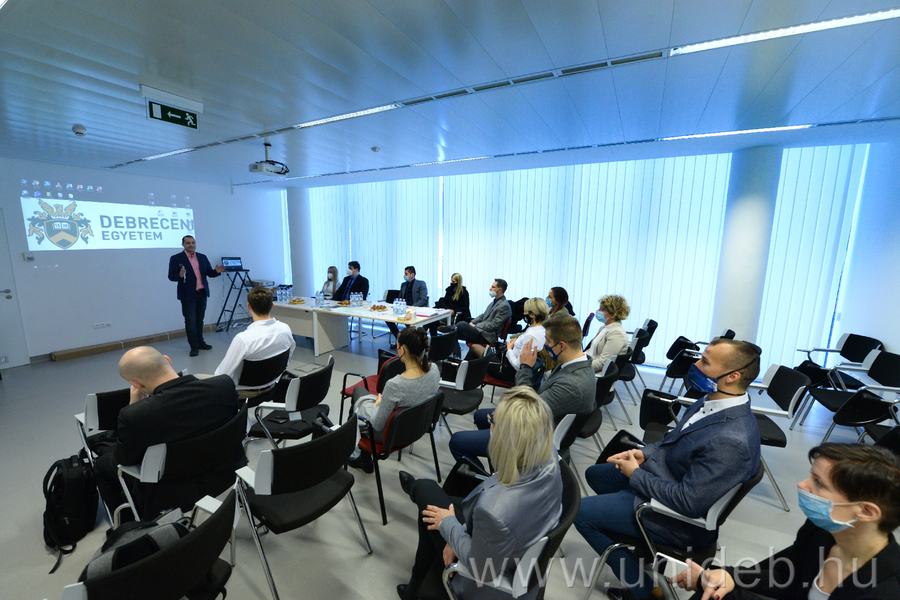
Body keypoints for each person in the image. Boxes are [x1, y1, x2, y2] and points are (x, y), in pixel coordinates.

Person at [574, 338, 763, 600]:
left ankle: (644, 590)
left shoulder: (732, 439)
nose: (696, 365)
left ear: (732, 376)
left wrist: (636, 475)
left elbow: (688, 502)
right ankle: (633, 538)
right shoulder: (713, 401)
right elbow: (673, 440)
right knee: (595, 475)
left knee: (579, 513)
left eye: (705, 362)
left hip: (675, 519)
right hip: (664, 476)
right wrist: (644, 453)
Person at [673, 443, 900, 600]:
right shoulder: (821, 531)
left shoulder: (887, 590)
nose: (802, 484)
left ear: (866, 511)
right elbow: (783, 575)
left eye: (819, 483)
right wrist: (727, 576)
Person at [397, 386, 563, 600]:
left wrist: (450, 527)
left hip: (485, 581)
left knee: (426, 494)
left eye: (493, 420)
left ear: (505, 440)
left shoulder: (494, 510)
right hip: (517, 543)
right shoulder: (549, 454)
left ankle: (415, 491)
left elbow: (480, 570)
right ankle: (415, 588)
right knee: (429, 512)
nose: (489, 423)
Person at [93, 346, 244, 517]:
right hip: (227, 472)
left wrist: (133, 405)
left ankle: (128, 523)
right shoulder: (224, 385)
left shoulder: (135, 414)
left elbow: (124, 459)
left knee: (101, 465)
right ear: (168, 360)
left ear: (136, 384)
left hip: (172, 491)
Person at [449, 315, 595, 465]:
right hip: (541, 419)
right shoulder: (578, 365)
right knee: (481, 415)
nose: (545, 344)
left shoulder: (572, 385)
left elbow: (526, 407)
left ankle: (499, 469)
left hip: (534, 437)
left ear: (562, 345)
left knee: (457, 441)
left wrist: (525, 367)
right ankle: (500, 464)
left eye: (548, 341)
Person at [348, 327, 440, 473]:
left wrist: (377, 405)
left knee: (358, 395)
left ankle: (362, 458)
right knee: (364, 396)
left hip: (392, 435)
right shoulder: (434, 369)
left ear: (402, 350)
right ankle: (363, 458)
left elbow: (377, 425)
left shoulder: (395, 385)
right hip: (417, 427)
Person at [213, 286, 296, 399]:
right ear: (272, 306)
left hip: (245, 394)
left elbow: (222, 375)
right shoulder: (285, 329)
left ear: (249, 306)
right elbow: (288, 358)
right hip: (272, 387)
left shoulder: (243, 339)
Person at [167, 235, 225, 356]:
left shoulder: (202, 257)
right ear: (183, 244)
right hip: (188, 295)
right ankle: (194, 346)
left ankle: (201, 343)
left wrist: (216, 272)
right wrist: (179, 275)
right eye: (188, 243)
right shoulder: (176, 258)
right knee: (190, 322)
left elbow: (209, 273)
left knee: (199, 321)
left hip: (202, 293)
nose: (191, 245)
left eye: (193, 242)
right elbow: (171, 276)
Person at [439, 279, 511, 357]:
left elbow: (494, 325)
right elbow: (483, 316)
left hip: (487, 336)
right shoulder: (494, 302)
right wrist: (473, 322)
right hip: (481, 331)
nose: (490, 289)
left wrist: (476, 326)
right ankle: (456, 357)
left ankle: (450, 328)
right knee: (454, 332)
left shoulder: (504, 306)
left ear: (499, 290)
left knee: (462, 324)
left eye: (493, 287)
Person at [485, 297, 548, 383]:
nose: (523, 314)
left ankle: (468, 382)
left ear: (532, 314)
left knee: (478, 353)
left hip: (508, 370)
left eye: (525, 312)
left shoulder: (532, 335)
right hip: (508, 362)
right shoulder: (539, 329)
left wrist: (509, 349)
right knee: (480, 353)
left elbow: (519, 366)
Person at [585, 294, 630, 373]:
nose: (598, 311)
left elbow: (603, 363)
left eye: (602, 310)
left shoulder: (617, 334)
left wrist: (579, 366)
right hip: (589, 364)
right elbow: (591, 351)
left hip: (596, 373)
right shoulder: (605, 327)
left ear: (613, 314)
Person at [387, 266, 429, 347]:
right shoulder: (403, 285)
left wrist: (412, 307)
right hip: (403, 309)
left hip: (415, 309)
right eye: (404, 273)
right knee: (388, 319)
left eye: (406, 274)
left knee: (410, 324)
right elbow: (400, 298)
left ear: (412, 275)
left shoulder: (421, 284)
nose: (404, 275)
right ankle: (399, 339)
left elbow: (423, 300)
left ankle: (408, 343)